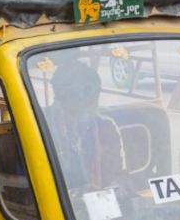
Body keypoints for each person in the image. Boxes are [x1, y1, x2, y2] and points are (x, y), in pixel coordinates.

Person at [48, 60, 124, 192]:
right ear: (64, 98)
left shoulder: (105, 127)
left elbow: (116, 174)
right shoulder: (42, 127)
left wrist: (118, 186)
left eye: (95, 97)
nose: (94, 104)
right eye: (88, 98)